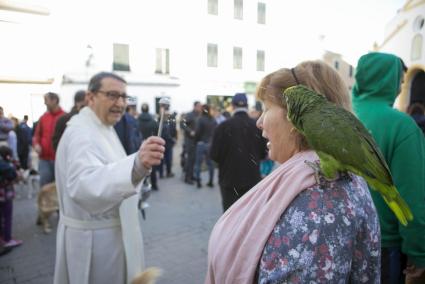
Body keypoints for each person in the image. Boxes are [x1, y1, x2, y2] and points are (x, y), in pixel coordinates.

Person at [205, 60, 380, 283]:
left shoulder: (319, 201)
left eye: (266, 108)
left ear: (296, 118)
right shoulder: (313, 176)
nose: (259, 122)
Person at [54, 72, 165, 284]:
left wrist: (138, 166)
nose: (120, 103)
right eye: (113, 95)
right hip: (95, 246)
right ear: (90, 97)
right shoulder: (82, 133)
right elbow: (83, 186)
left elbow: (110, 168)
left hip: (109, 236)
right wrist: (136, 165)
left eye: (124, 97)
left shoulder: (101, 126)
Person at [352, 52, 425, 284]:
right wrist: (418, 254)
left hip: (332, 239)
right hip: (382, 246)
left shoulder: (338, 113)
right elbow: (412, 196)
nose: (400, 89)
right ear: (388, 82)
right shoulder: (401, 126)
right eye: (400, 82)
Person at [210, 93, 267, 211]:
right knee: (249, 216)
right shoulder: (257, 126)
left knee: (230, 217)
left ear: (232, 106)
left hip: (229, 180)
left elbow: (214, 155)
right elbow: (264, 153)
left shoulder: (222, 127)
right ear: (247, 105)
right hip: (252, 179)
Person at [33, 92, 65, 187]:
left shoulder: (64, 117)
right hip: (44, 160)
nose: (44, 103)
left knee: (60, 188)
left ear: (54, 100)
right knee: (44, 188)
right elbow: (37, 135)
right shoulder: (43, 118)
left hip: (60, 161)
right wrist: (36, 144)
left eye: (46, 100)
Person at [0, 145, 22, 249]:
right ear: (8, 156)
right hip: (5, 195)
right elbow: (15, 175)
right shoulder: (7, 166)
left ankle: (2, 237)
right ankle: (8, 239)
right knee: (7, 217)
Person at [193, 104, 216, 188]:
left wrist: (195, 141)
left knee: (198, 163)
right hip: (210, 144)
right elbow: (215, 132)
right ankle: (211, 181)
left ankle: (198, 181)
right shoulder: (213, 120)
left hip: (201, 143)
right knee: (210, 164)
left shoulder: (200, 119)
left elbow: (197, 132)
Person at [137, 103, 159, 190]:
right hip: (151, 145)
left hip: (139, 145)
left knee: (140, 165)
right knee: (152, 166)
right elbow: (157, 134)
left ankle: (142, 184)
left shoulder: (136, 121)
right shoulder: (153, 121)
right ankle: (154, 184)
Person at [182, 101, 202, 184]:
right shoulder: (189, 114)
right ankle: (187, 178)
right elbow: (182, 124)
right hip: (189, 141)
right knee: (190, 160)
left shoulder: (199, 115)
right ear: (194, 106)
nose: (200, 108)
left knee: (194, 160)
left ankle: (192, 175)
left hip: (196, 141)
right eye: (198, 106)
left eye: (200, 106)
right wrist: (190, 131)